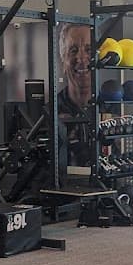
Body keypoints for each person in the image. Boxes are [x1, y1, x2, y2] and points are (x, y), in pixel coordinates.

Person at [56, 22, 95, 168]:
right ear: (63, 60)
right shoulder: (50, 112)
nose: (81, 58)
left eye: (89, 50)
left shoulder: (116, 109)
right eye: (73, 50)